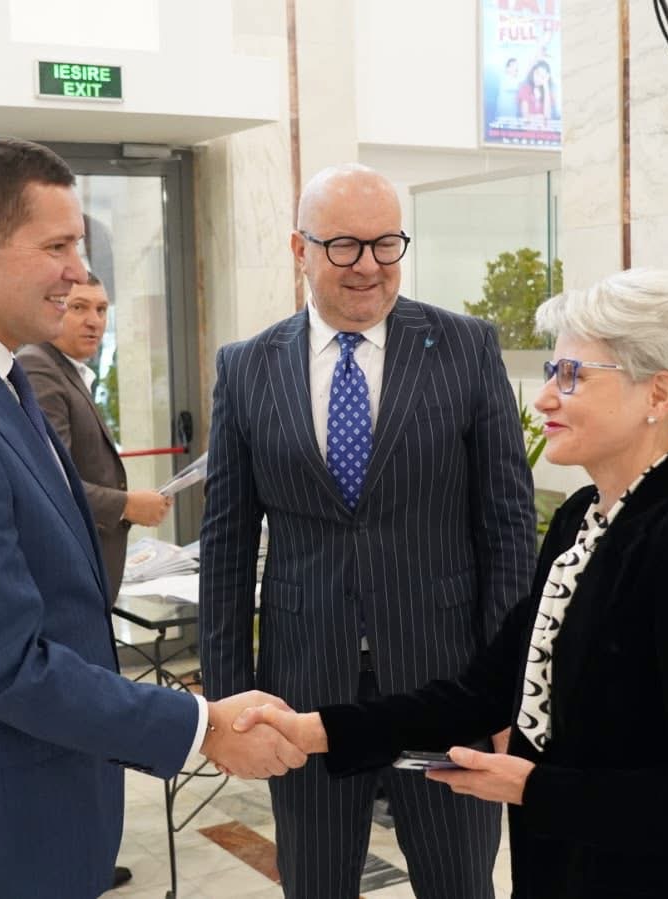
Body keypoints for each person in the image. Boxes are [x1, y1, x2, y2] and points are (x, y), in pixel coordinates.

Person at [0, 136, 305, 899]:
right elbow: (7, 664)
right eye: (56, 246)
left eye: (77, 245)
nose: (78, 272)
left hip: (29, 808)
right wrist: (202, 725)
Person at [235, 269, 668, 898]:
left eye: (572, 375)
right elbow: (484, 690)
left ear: (659, 394)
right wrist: (319, 730)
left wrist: (533, 787)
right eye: (553, 371)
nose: (544, 399)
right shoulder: (582, 520)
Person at [198, 162, 537, 898]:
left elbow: (508, 527)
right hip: (302, 690)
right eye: (344, 245)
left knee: (459, 883)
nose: (369, 266)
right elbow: (225, 546)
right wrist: (226, 704)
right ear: (300, 248)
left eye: (386, 244)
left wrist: (512, 690)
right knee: (316, 883)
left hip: (445, 684)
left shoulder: (465, 347)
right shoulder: (247, 368)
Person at [16, 272, 172, 597]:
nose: (94, 321)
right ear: (54, 306)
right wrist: (126, 505)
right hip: (65, 579)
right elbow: (51, 481)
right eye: (79, 307)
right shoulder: (38, 366)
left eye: (101, 310)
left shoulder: (67, 368)